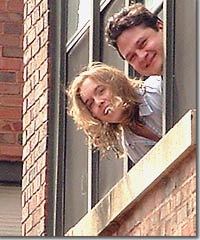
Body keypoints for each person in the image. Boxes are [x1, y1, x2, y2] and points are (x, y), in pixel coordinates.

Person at [67, 62, 162, 165]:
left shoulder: (156, 90)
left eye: (101, 91)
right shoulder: (130, 144)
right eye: (91, 104)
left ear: (116, 84)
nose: (99, 102)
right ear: (93, 115)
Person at [105, 3, 163, 77]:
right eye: (132, 57)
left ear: (160, 26)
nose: (142, 57)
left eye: (143, 44)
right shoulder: (151, 87)